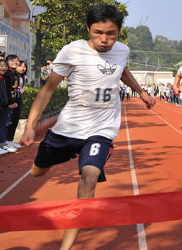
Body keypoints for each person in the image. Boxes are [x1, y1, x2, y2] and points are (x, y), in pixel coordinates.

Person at [20, 5, 155, 250]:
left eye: (111, 33)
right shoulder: (72, 51)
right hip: (68, 128)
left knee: (89, 178)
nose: (104, 39)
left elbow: (121, 70)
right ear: (88, 30)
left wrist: (142, 92)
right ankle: (62, 158)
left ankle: (66, 247)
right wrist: (30, 127)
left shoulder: (122, 50)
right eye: (98, 32)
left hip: (102, 128)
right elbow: (48, 89)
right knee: (37, 173)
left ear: (119, 32)